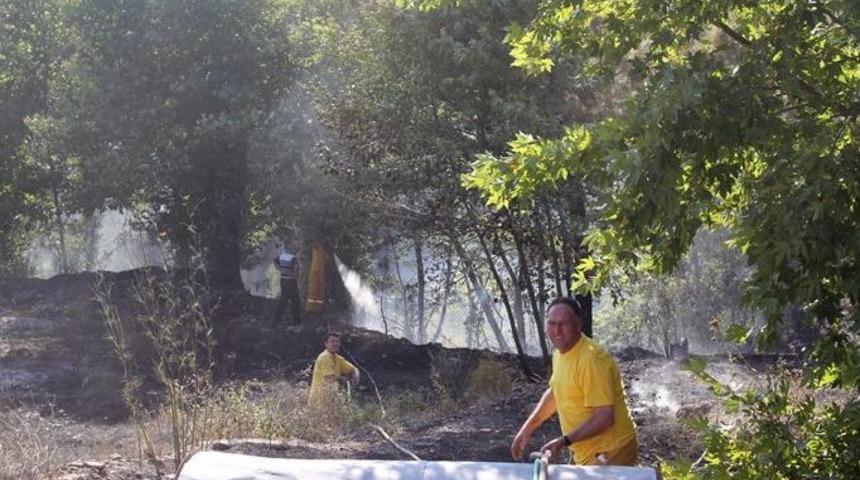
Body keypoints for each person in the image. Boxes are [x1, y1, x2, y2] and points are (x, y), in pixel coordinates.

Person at [511, 297, 639, 466]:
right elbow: (557, 391)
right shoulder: (560, 353)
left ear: (578, 324)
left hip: (612, 449)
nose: (557, 330)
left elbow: (605, 417)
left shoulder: (592, 359)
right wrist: (528, 427)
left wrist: (564, 441)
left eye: (563, 324)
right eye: (552, 323)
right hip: (587, 451)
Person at [308, 331, 360, 406]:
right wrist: (342, 379)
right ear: (326, 344)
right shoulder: (325, 357)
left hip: (331, 402)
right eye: (332, 341)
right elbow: (329, 377)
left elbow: (354, 369)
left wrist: (354, 382)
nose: (335, 344)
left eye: (337, 341)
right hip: (319, 403)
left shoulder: (338, 359)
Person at [274, 248, 301, 324]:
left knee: (283, 299)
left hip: (283, 279)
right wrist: (295, 275)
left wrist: (279, 269)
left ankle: (276, 320)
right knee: (295, 300)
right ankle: (297, 320)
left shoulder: (281, 256)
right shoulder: (293, 258)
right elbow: (296, 267)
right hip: (291, 281)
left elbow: (275, 261)